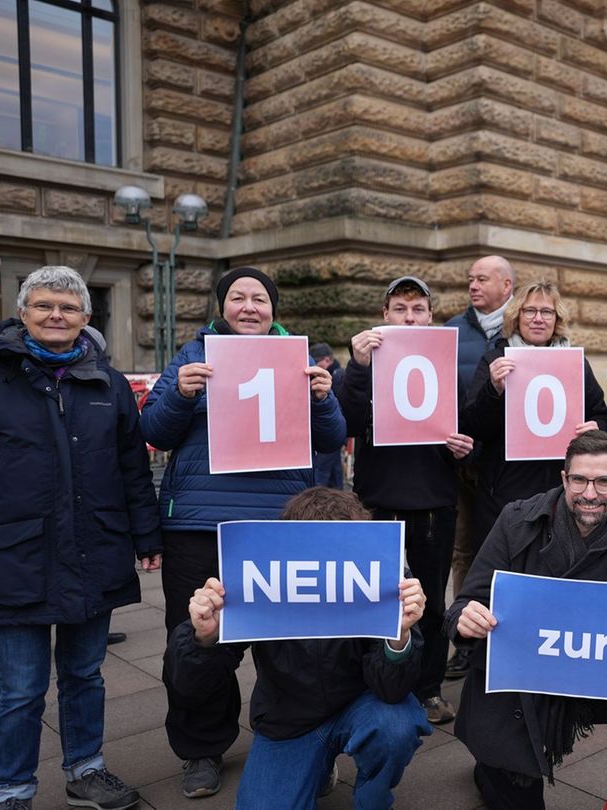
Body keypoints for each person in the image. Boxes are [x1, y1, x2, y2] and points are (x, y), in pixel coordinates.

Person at [0, 266, 161, 810]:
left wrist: (147, 535)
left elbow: (133, 470)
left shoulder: (109, 384)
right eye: (44, 305)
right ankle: (13, 790)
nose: (56, 315)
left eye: (68, 307)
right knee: (20, 688)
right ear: (22, 313)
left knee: (85, 674)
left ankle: (86, 770)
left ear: (85, 317)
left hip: (93, 550)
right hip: (13, 558)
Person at [139, 266, 348, 798]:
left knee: (293, 643)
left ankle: (303, 743)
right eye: (238, 297)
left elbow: (331, 439)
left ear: (273, 309)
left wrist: (324, 398)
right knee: (197, 637)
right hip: (200, 525)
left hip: (279, 522)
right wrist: (180, 394)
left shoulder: (298, 359)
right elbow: (154, 431)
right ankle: (201, 748)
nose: (249, 306)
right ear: (222, 306)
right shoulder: (192, 355)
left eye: (260, 298)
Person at [446, 431, 607, 810]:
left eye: (603, 481)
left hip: (582, 679)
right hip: (515, 683)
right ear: (564, 478)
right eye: (579, 480)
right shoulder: (516, 521)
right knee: (515, 791)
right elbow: (464, 603)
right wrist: (465, 618)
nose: (589, 493)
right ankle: (492, 768)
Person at [166, 488, 432, 809]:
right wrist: (203, 638)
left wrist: (398, 638)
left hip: (363, 706)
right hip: (287, 719)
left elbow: (393, 690)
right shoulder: (256, 573)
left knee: (396, 725)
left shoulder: (387, 575)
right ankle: (316, 769)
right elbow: (190, 687)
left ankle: (372, 800)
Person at [335, 275, 476, 725]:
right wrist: (358, 367)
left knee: (431, 605)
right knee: (377, 600)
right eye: (400, 309)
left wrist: (462, 448)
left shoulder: (446, 368)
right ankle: (375, 680)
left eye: (417, 310)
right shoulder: (365, 364)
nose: (409, 318)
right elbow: (343, 424)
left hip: (434, 505)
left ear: (430, 316)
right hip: (379, 502)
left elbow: (467, 433)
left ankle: (428, 688)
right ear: (385, 315)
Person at [460, 280, 607, 558]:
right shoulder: (495, 360)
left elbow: (600, 414)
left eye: (547, 312)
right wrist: (493, 390)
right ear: (517, 316)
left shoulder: (575, 363)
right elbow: (473, 425)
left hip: (559, 489)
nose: (538, 318)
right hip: (504, 490)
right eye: (530, 311)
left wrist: (597, 428)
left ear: (557, 320)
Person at [445, 255, 516, 680]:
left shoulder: (523, 328)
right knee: (464, 551)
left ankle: (510, 634)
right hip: (461, 460)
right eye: (470, 279)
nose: (473, 285)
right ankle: (464, 638)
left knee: (509, 549)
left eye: (482, 279)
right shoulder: (451, 330)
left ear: (506, 286)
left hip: (506, 464)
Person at [310, 342, 347, 489]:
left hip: (332, 426)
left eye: (316, 362)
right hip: (333, 428)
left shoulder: (337, 376)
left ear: (327, 360)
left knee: (323, 474)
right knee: (334, 474)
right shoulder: (337, 373)